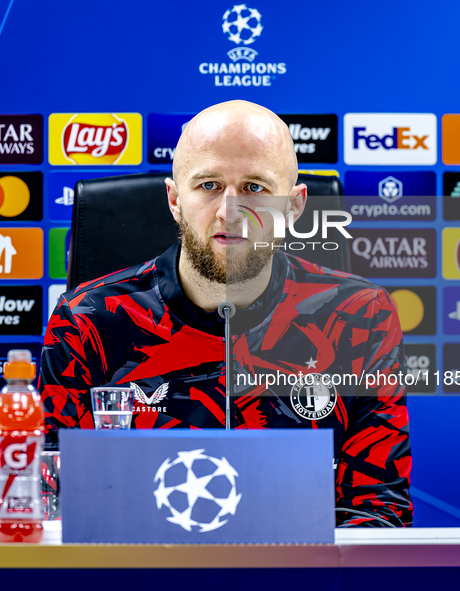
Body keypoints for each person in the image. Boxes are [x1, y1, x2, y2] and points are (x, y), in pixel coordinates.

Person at [39, 100, 413, 527]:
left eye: (255, 187)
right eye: (209, 185)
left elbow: (377, 509)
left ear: (294, 206)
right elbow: (57, 502)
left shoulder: (358, 316)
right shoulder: (88, 319)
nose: (230, 212)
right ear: (175, 200)